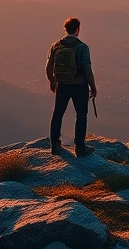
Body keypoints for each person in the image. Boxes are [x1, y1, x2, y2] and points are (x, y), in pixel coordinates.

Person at [47, 17, 98, 157]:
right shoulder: (82, 47)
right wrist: (93, 87)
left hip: (62, 85)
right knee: (81, 115)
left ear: (65, 29)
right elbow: (87, 70)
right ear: (77, 30)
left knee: (57, 114)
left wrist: (53, 81)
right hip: (79, 86)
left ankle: (54, 146)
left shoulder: (56, 45)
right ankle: (80, 149)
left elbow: (48, 66)